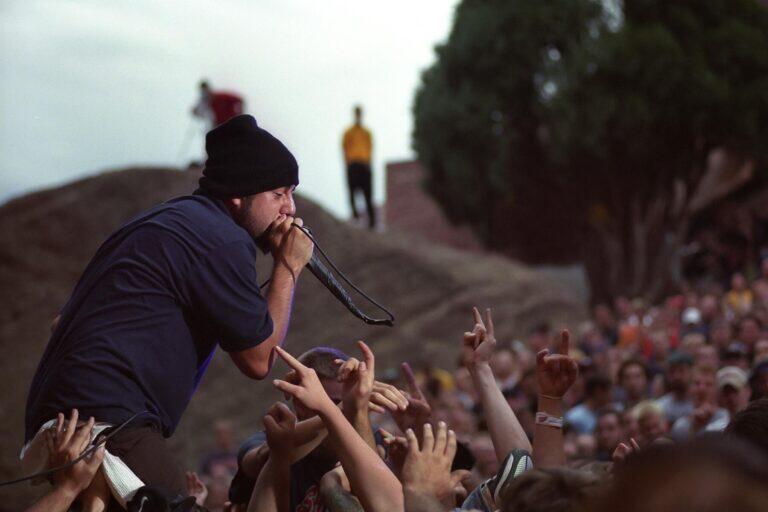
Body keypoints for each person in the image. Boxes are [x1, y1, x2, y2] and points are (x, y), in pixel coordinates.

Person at [23, 114, 313, 506]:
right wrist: (288, 267)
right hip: (108, 416)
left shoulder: (172, 218)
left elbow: (64, 319)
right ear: (238, 194)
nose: (289, 209)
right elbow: (259, 360)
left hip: (70, 413)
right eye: (278, 194)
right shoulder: (221, 240)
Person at [341, 105, 375, 229]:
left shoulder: (367, 132)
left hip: (364, 164)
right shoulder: (348, 132)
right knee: (352, 192)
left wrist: (368, 163)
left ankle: (372, 222)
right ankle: (355, 217)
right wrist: (348, 163)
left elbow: (370, 148)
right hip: (353, 165)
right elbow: (344, 148)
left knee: (368, 194)